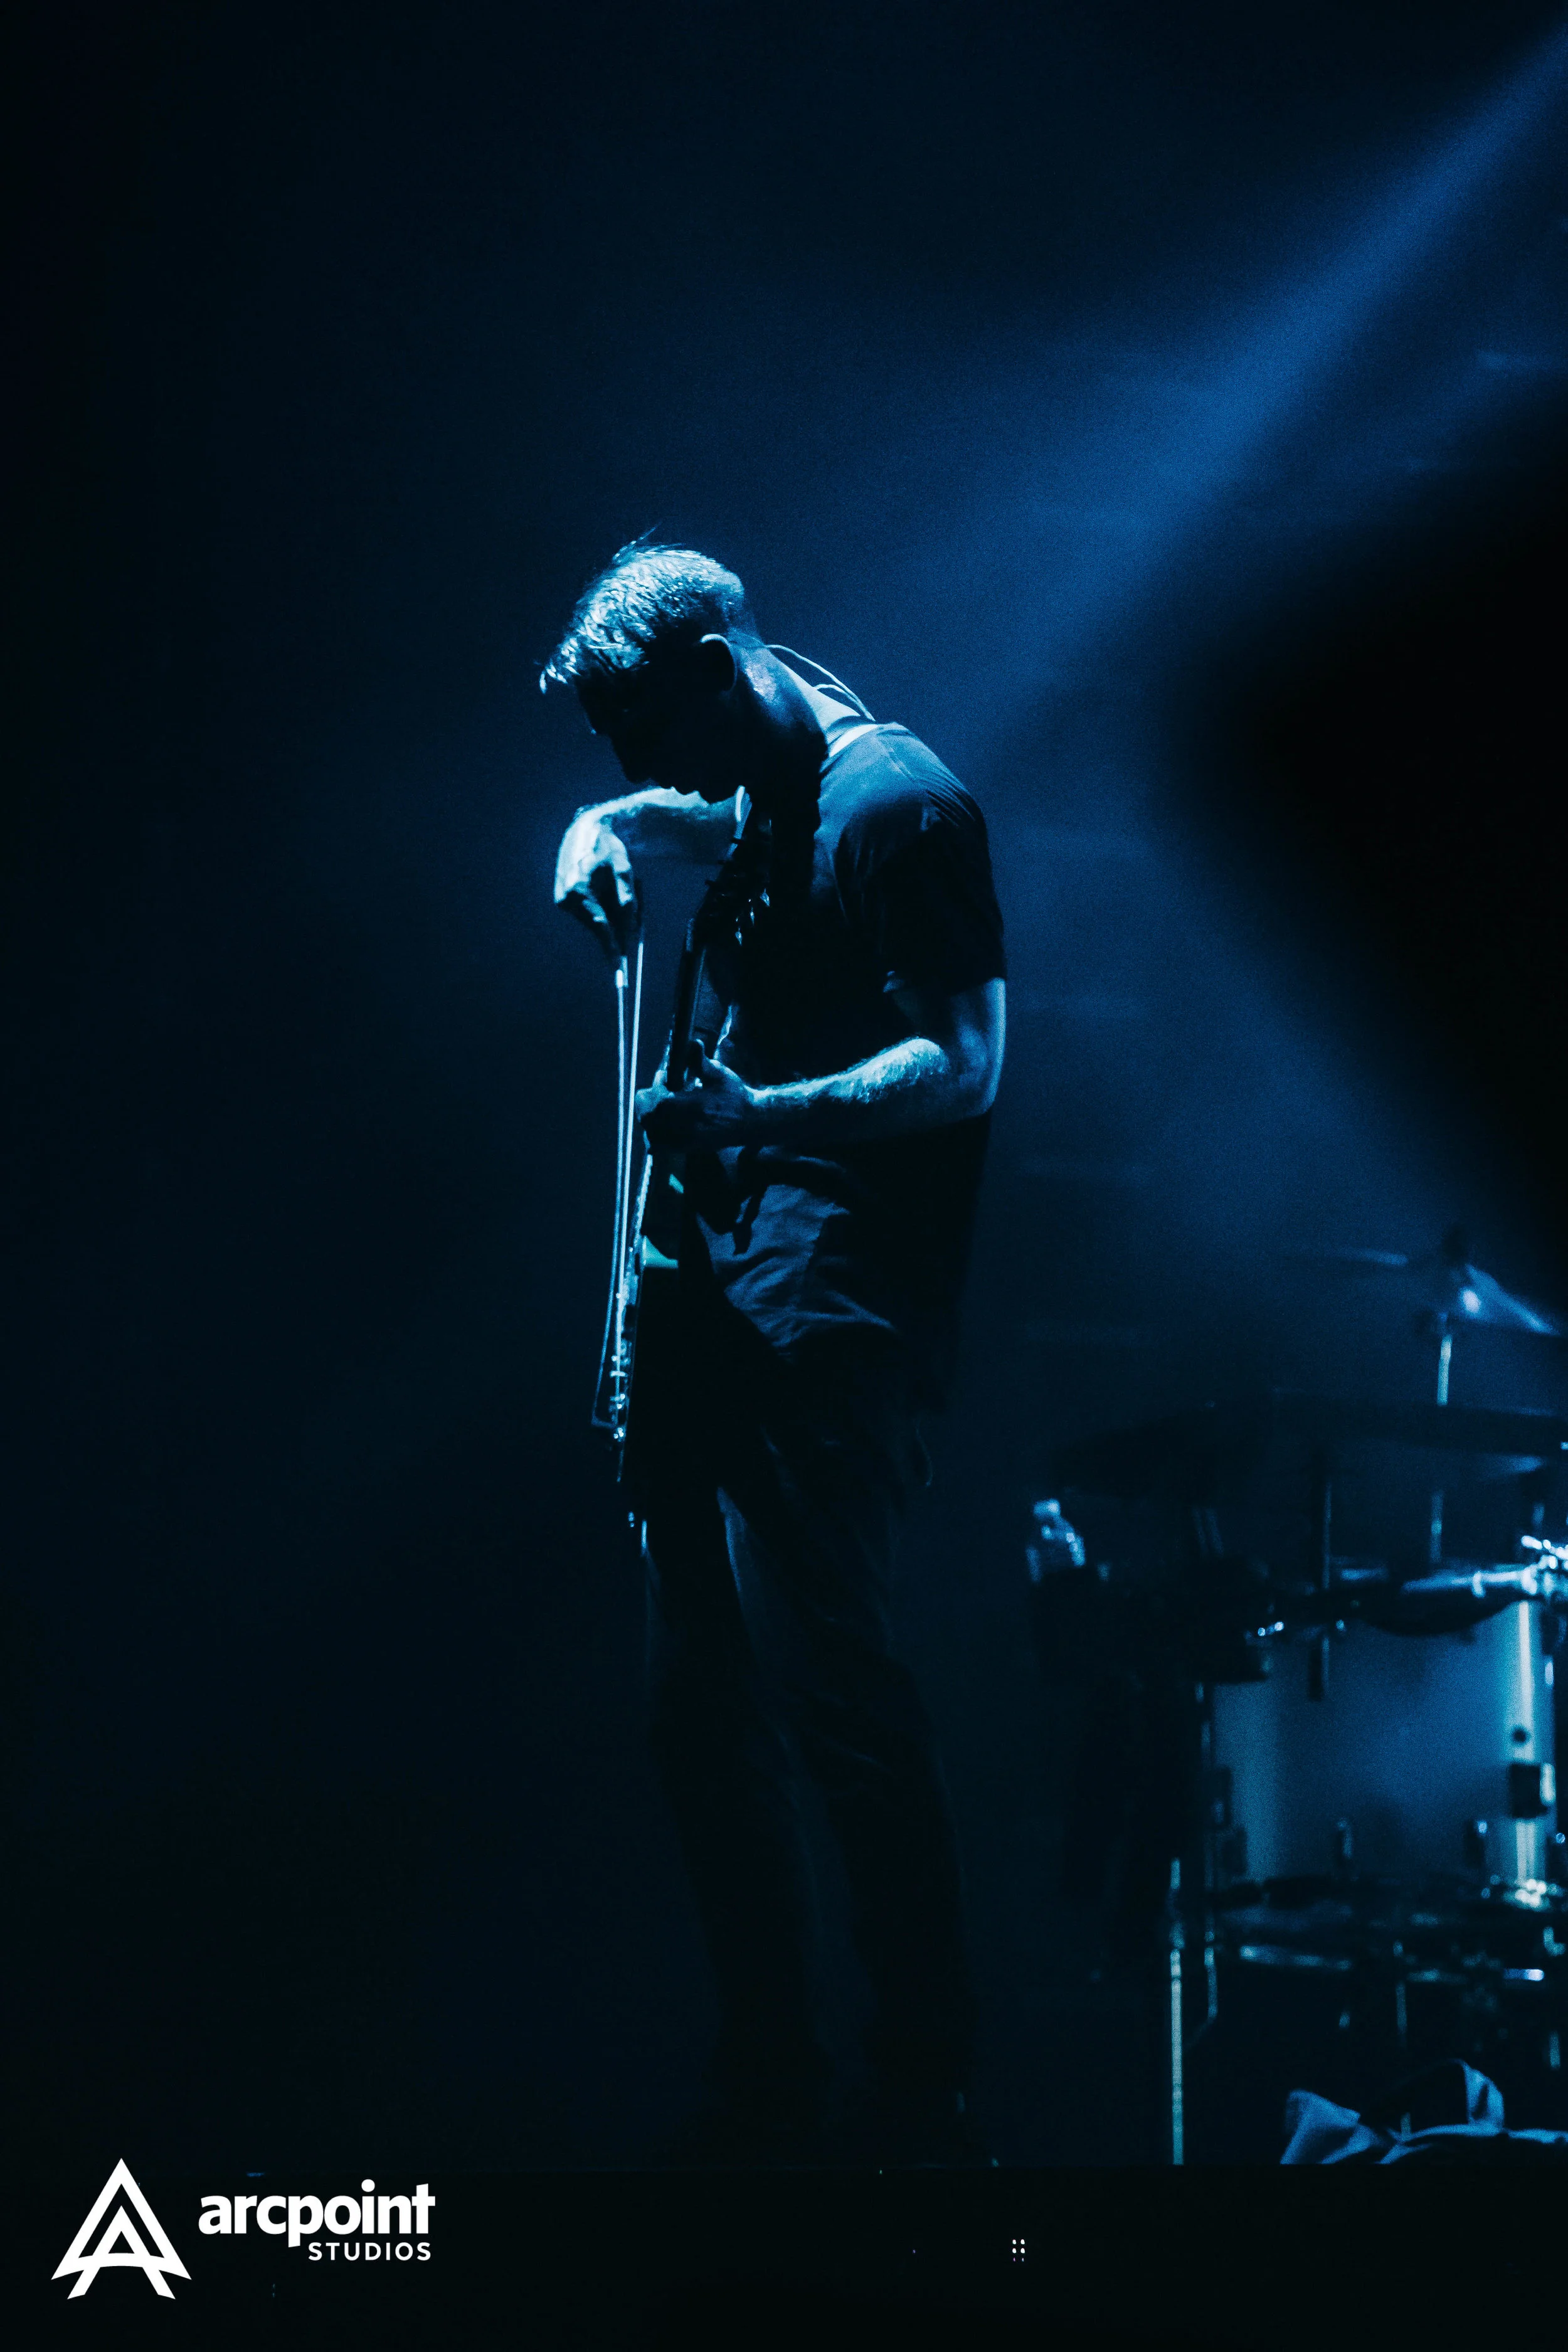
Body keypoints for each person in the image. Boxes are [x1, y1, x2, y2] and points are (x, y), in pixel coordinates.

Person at [546, 541, 1006, 2166]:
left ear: (718, 664)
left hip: (830, 1309)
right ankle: (768, 2077)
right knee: (693, 1709)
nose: (641, 770)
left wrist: (765, 1112)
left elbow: (964, 1063)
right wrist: (593, 828)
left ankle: (920, 2076)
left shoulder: (897, 803)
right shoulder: (758, 778)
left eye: (642, 735)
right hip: (712, 1306)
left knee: (828, 1689)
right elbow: (686, 814)